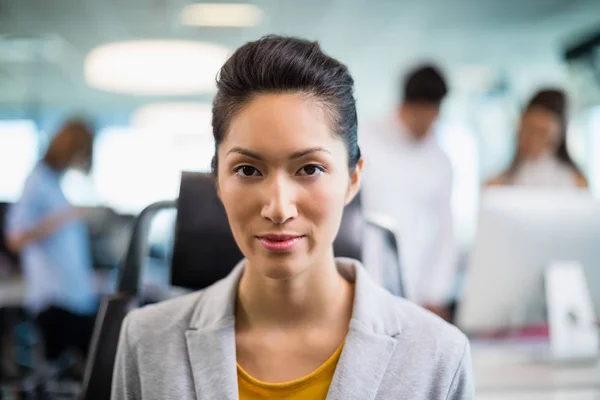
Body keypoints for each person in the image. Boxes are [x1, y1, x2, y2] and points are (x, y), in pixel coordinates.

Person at [112, 36, 473, 400]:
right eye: (248, 170)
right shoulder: (146, 341)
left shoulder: (437, 356)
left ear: (352, 180)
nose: (279, 209)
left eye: (310, 168)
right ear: (217, 181)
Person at [360, 65, 456, 320]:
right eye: (421, 116)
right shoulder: (365, 139)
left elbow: (445, 231)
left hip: (416, 287)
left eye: (433, 116)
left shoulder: (439, 159)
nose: (427, 125)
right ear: (405, 106)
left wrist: (437, 291)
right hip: (364, 273)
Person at [4, 119, 98, 370]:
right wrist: (65, 216)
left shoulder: (53, 184)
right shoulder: (37, 182)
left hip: (74, 296)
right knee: (62, 374)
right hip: (55, 298)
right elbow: (15, 238)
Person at [486, 89, 587, 188]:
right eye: (527, 130)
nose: (532, 140)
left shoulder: (577, 182)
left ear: (557, 137)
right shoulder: (497, 183)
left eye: (541, 133)